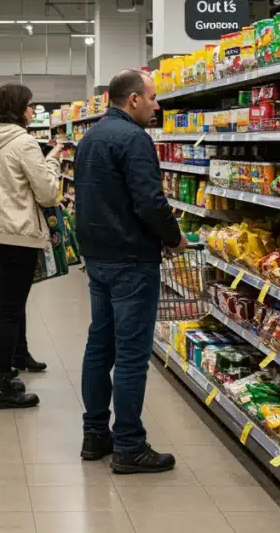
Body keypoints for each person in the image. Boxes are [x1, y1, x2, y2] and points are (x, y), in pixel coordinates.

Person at [74, 69, 185, 473]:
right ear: (133, 99)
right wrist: (173, 239)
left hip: (99, 257)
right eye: (153, 98)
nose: (158, 105)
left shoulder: (91, 138)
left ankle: (95, 435)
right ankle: (129, 445)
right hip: (131, 260)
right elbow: (150, 202)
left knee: (99, 346)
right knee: (132, 355)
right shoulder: (134, 139)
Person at [0, 83, 62, 409]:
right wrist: (53, 163)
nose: (33, 111)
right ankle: (2, 385)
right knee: (10, 310)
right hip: (17, 236)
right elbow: (48, 194)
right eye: (30, 105)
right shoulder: (24, 143)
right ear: (19, 107)